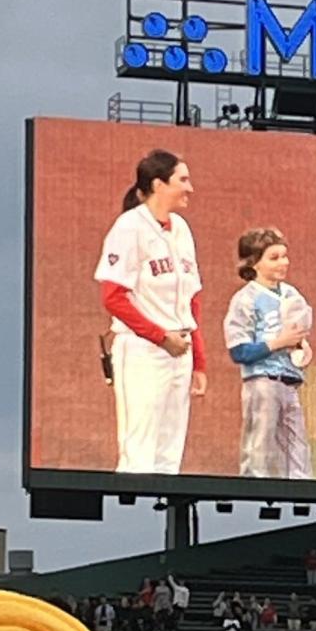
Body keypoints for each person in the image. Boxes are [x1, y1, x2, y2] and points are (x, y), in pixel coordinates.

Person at [95, 149, 207, 473]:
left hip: (179, 349)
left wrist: (198, 360)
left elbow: (192, 301)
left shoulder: (181, 229)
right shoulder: (130, 227)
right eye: (182, 180)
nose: (190, 188)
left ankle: (164, 517)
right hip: (143, 348)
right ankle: (131, 518)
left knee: (170, 452)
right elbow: (113, 297)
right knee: (139, 448)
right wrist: (160, 337)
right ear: (159, 184)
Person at [223, 227, 313, 479]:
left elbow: (299, 331)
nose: (283, 263)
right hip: (262, 381)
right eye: (274, 258)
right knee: (260, 442)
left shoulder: (292, 294)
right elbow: (239, 350)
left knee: (297, 444)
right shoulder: (246, 299)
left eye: (284, 256)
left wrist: (299, 347)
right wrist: (277, 342)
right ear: (254, 263)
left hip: (289, 381)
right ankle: (254, 489)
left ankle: (301, 492)